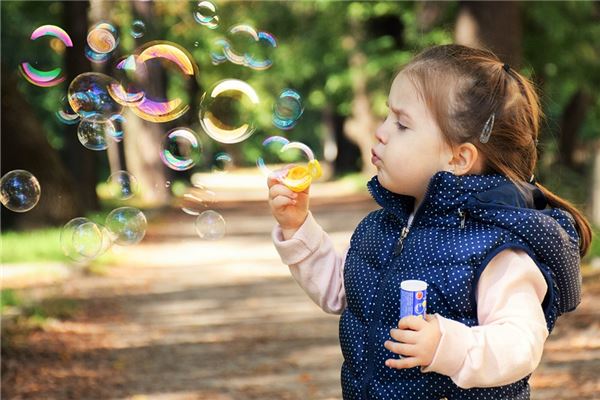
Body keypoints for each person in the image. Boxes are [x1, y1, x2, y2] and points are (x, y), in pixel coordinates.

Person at [267, 44, 591, 399]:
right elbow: (341, 292)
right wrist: (298, 227)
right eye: (388, 116)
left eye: (402, 124)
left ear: (458, 157)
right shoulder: (381, 228)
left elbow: (520, 343)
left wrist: (447, 346)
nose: (381, 131)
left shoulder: (494, 249)